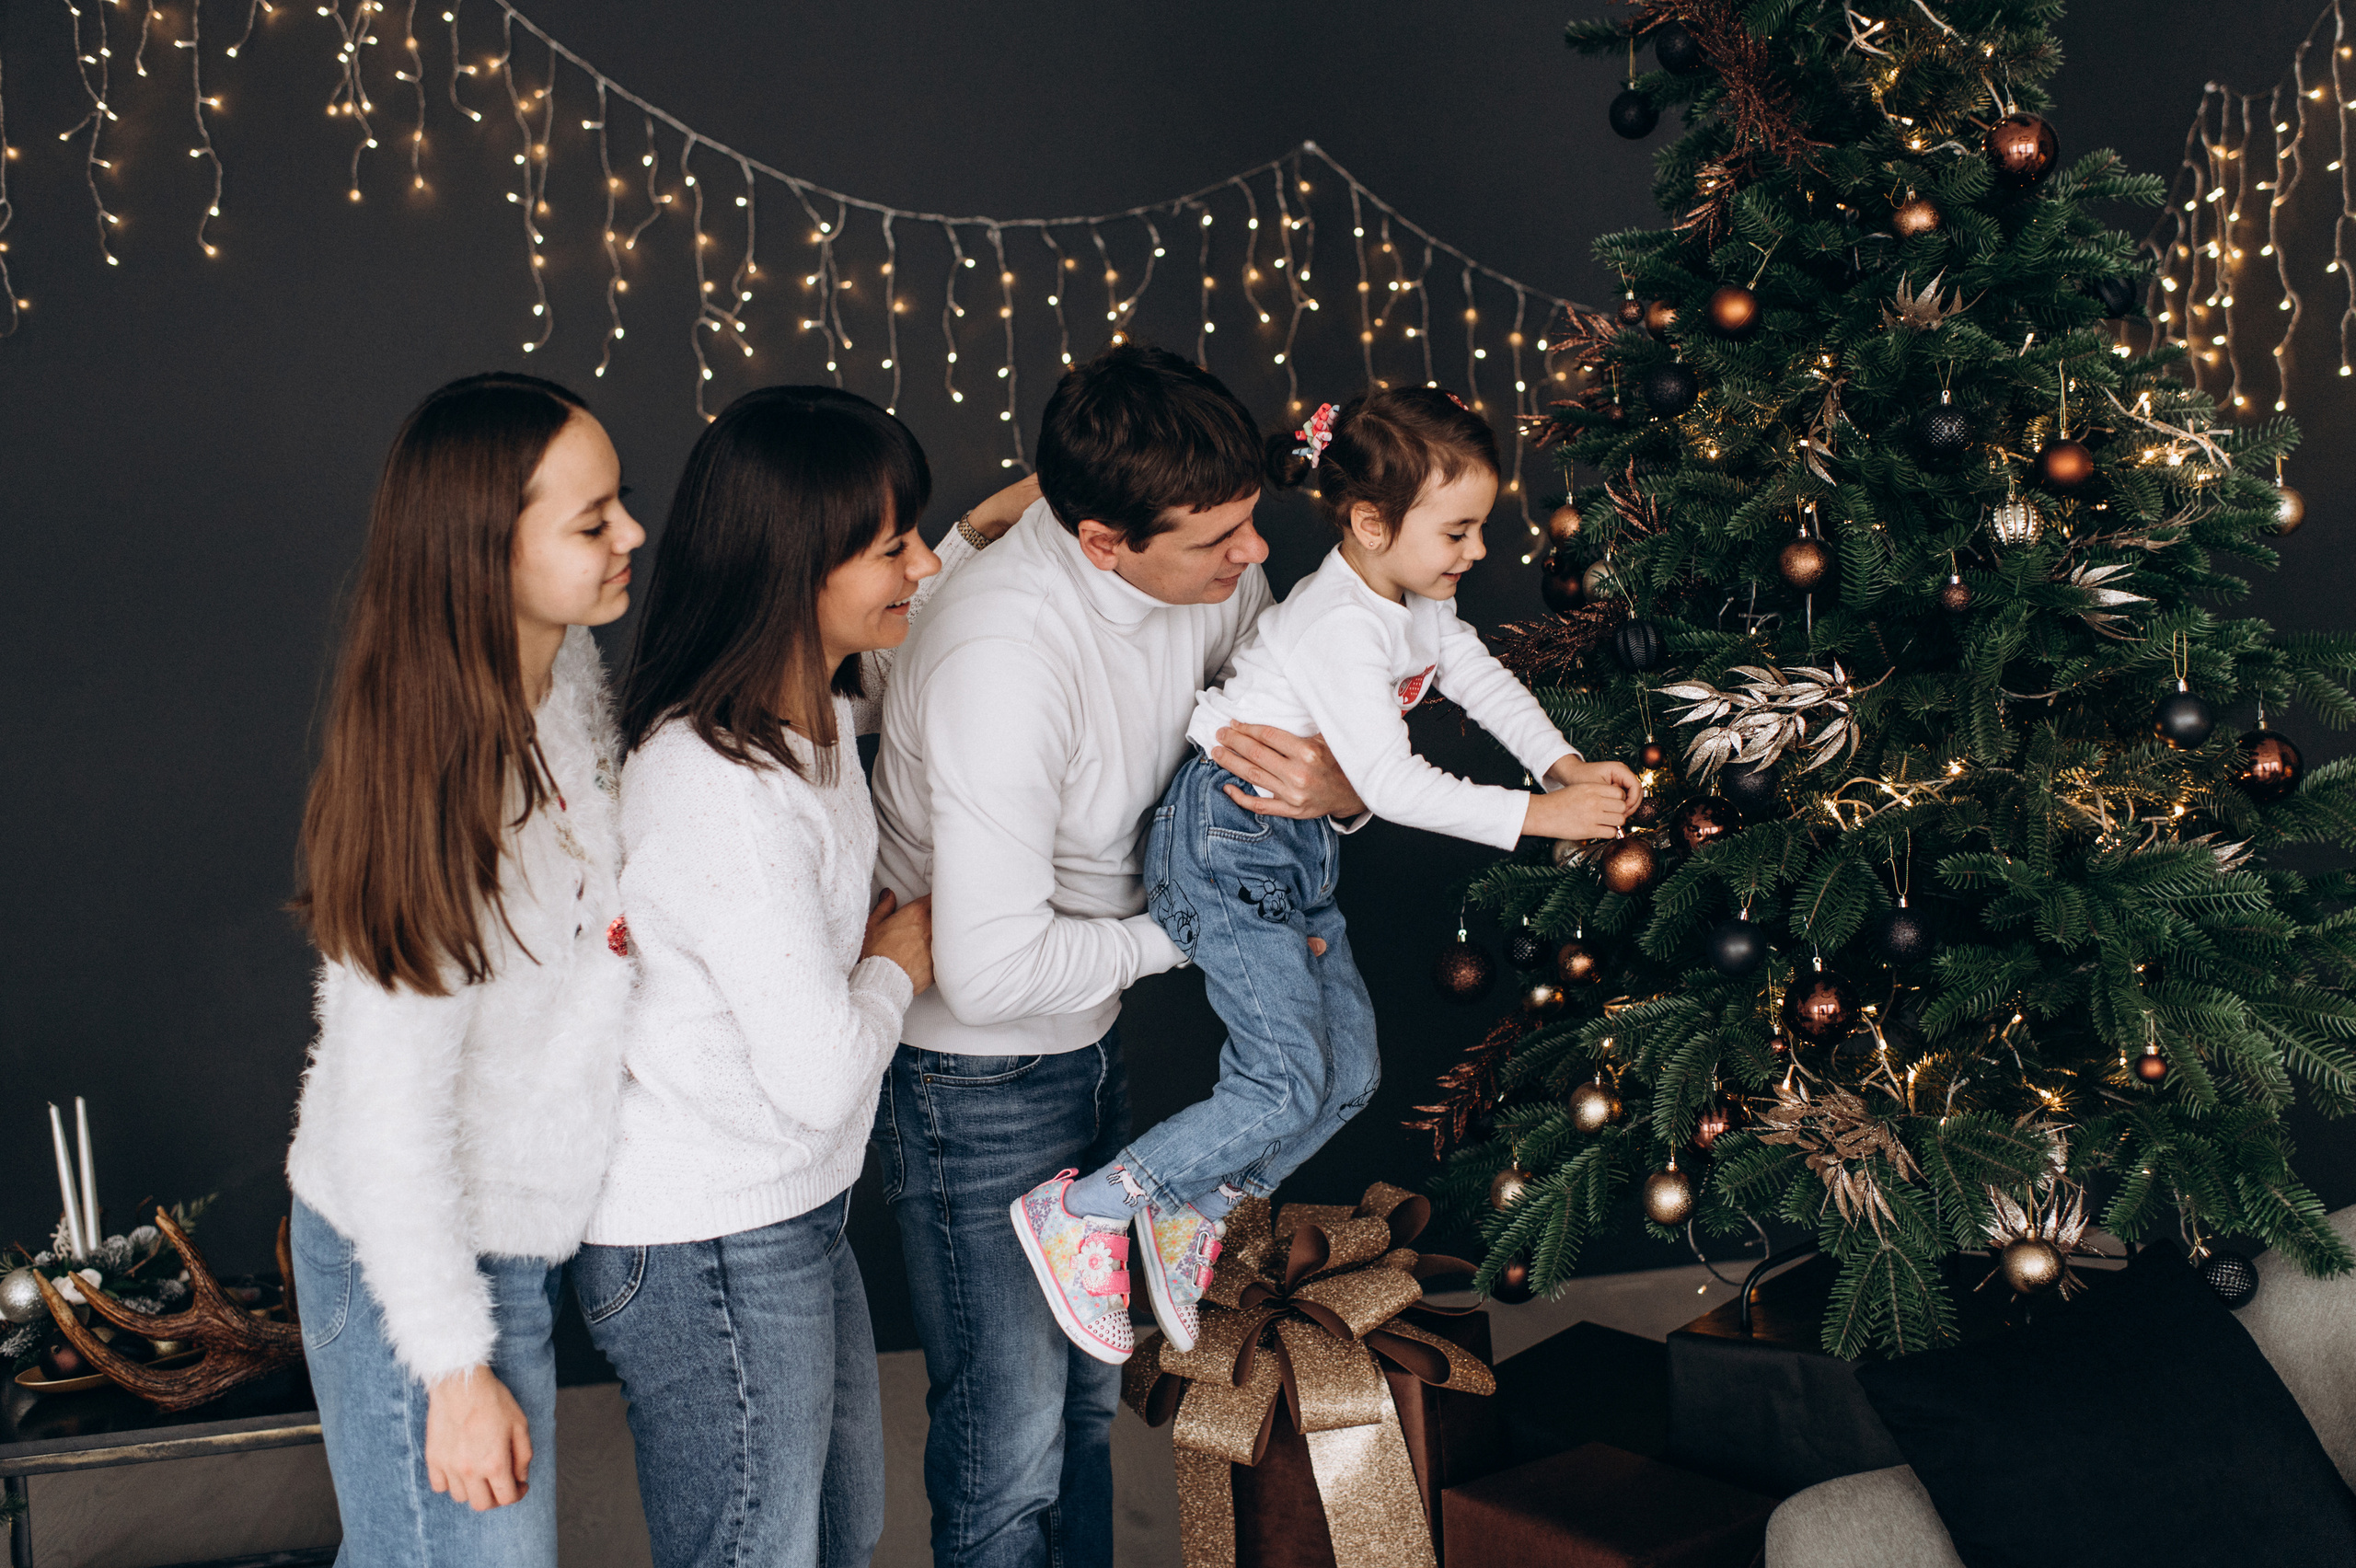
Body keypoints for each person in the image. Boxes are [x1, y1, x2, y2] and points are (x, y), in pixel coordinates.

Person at [870, 342, 1369, 1568]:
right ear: (1102, 541)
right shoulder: (1003, 659)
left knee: (1087, 1411)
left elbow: (1285, 738)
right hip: (973, 1075)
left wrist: (1340, 789)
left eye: (1249, 518)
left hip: (1089, 1036)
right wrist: (1206, 932)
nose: (1254, 552)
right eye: (1217, 539)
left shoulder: (1214, 572)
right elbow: (988, 973)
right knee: (1011, 1455)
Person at [1015, 386, 1641, 1355]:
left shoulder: (1414, 599)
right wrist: (1538, 816)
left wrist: (1560, 765)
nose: (1477, 552)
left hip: (1295, 849)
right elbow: (1389, 784)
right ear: (1371, 524)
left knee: (1348, 1075)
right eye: (1458, 531)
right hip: (1226, 837)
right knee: (1281, 1082)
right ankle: (1088, 1208)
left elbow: (1477, 674)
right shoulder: (1339, 624)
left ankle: (1197, 1204)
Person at [572, 386, 1024, 1568]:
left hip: (785, 1212)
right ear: (792, 568)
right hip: (707, 1238)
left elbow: (923, 613)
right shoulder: (719, 786)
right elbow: (821, 1077)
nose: (921, 565)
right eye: (892, 546)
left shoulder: (814, 702)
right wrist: (887, 967)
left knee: (838, 1536)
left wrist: (1002, 520)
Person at [286, 373, 645, 1565]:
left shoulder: (563, 675)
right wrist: (450, 1369)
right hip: (418, 1263)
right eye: (591, 523)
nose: (632, 534)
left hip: (509, 1242)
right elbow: (386, 1118)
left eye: (619, 504)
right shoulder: (442, 791)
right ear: (488, 551)